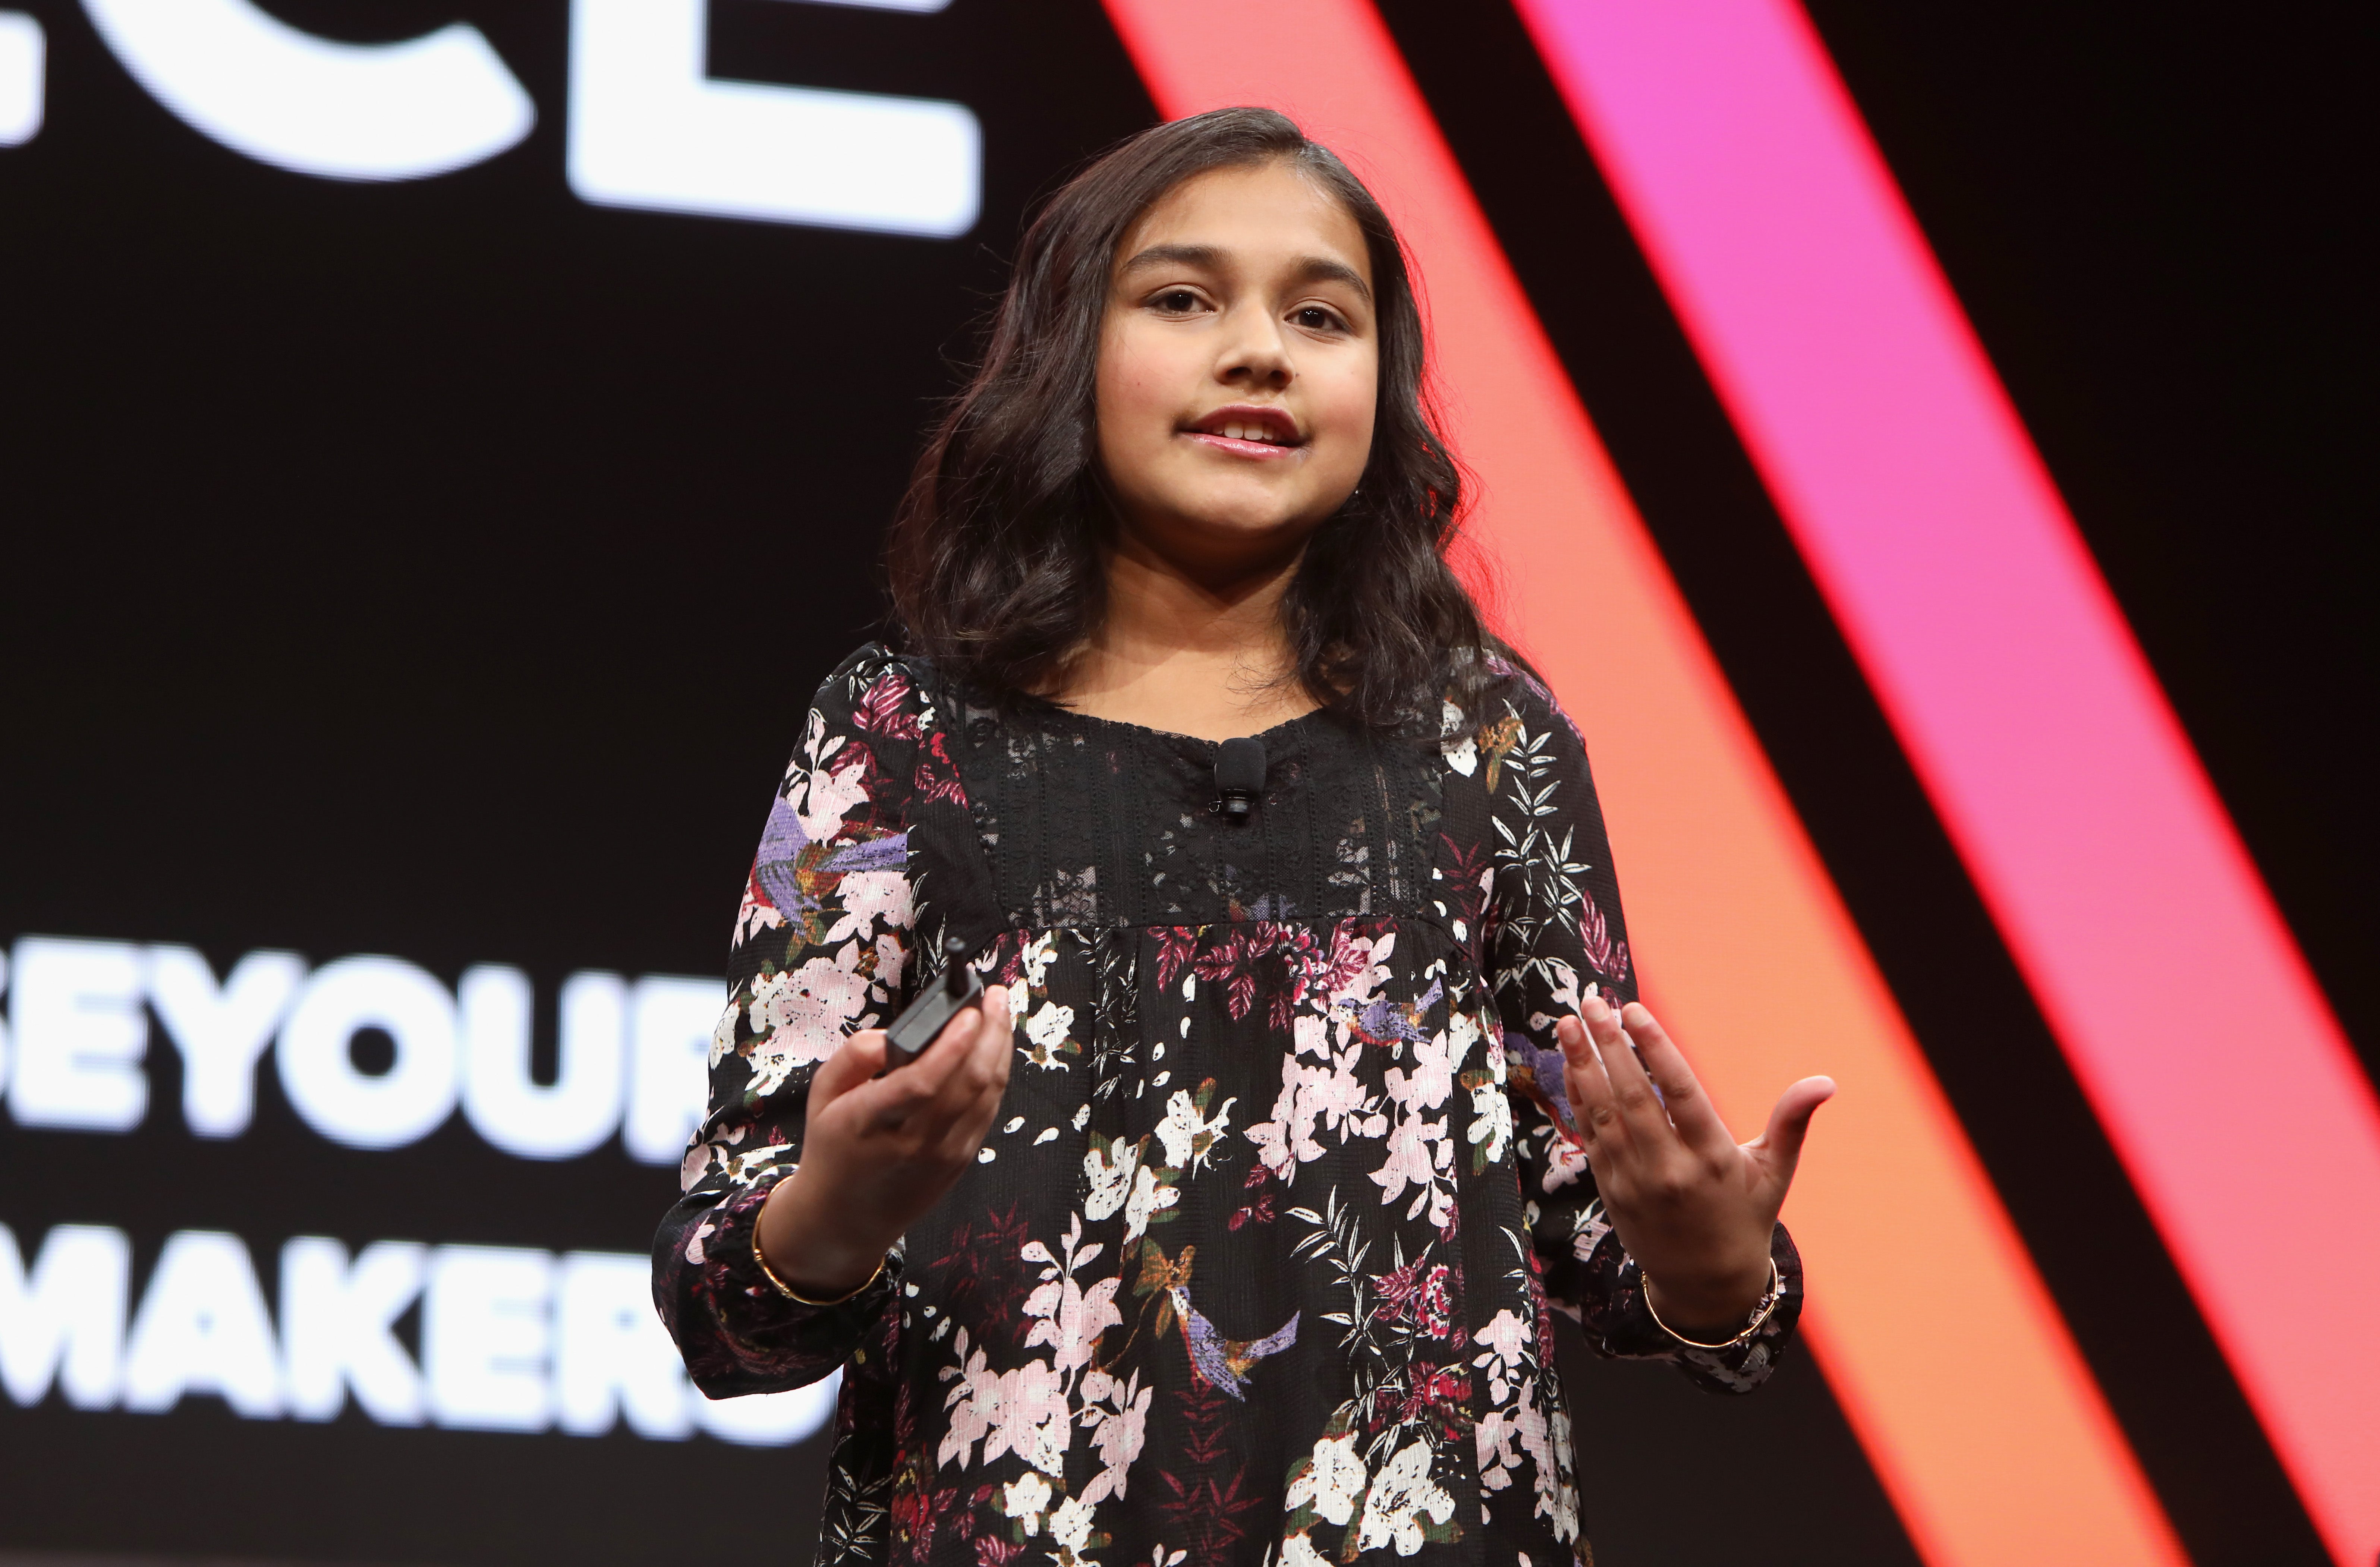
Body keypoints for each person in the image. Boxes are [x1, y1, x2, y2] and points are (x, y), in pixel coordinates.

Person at [655, 107, 1833, 1567]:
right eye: (1184, 298)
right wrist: (836, 1207)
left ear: (1383, 389)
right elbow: (723, 1306)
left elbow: (1624, 1250)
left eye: (1321, 314)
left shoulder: (1492, 742)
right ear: (1067, 354)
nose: (1262, 348)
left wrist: (1714, 1265)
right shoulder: (896, 733)